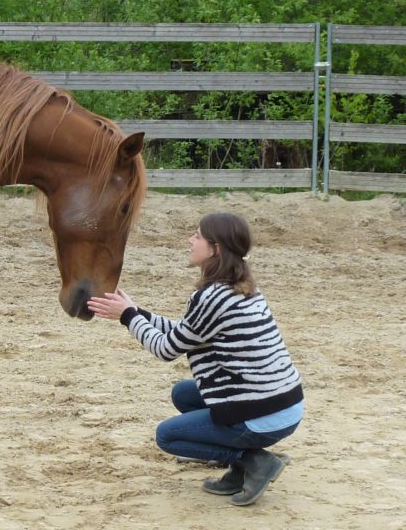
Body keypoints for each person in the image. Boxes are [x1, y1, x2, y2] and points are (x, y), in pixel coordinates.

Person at [87, 212, 304, 507]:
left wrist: (127, 317)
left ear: (215, 249)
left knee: (167, 437)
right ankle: (244, 464)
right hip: (282, 403)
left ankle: (252, 460)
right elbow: (187, 332)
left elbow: (166, 349)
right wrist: (137, 312)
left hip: (263, 415)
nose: (190, 240)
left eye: (197, 236)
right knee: (183, 394)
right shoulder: (241, 287)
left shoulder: (213, 297)